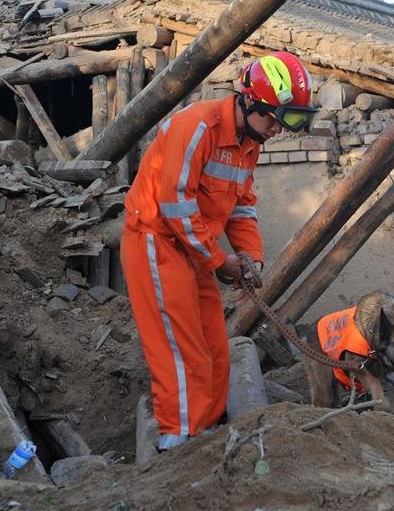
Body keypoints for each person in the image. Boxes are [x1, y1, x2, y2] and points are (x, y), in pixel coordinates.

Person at [120, 51, 317, 451]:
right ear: (248, 101)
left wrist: (251, 259)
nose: (278, 129)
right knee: (180, 348)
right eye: (274, 118)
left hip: (196, 250)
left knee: (213, 347)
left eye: (285, 121)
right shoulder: (197, 126)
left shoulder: (249, 143)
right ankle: (176, 443)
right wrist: (219, 261)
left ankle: (204, 437)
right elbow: (175, 205)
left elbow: (241, 207)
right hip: (157, 242)